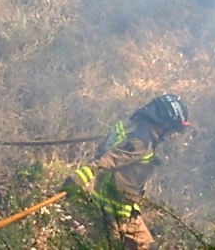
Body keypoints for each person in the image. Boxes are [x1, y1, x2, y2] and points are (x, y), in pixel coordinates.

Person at [64, 94, 190, 250]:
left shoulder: (131, 125)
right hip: (114, 211)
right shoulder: (140, 141)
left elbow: (104, 150)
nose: (170, 134)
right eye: (171, 129)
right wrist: (79, 178)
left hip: (124, 208)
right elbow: (109, 160)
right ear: (163, 122)